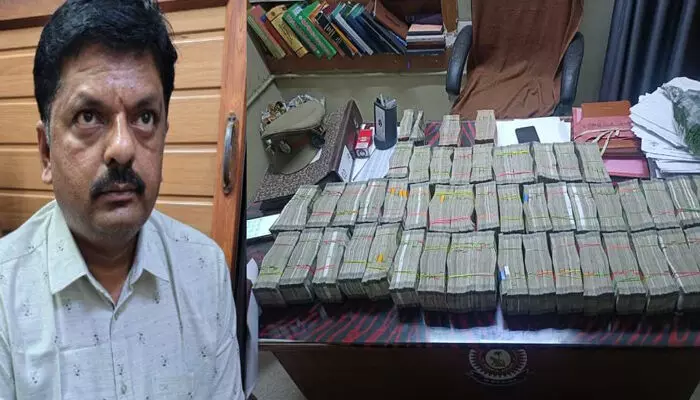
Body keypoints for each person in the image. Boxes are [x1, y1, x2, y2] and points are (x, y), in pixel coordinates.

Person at [0, 1, 244, 399]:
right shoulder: (5, 293)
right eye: (88, 117)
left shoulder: (205, 269)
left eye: (144, 117)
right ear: (46, 152)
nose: (123, 148)